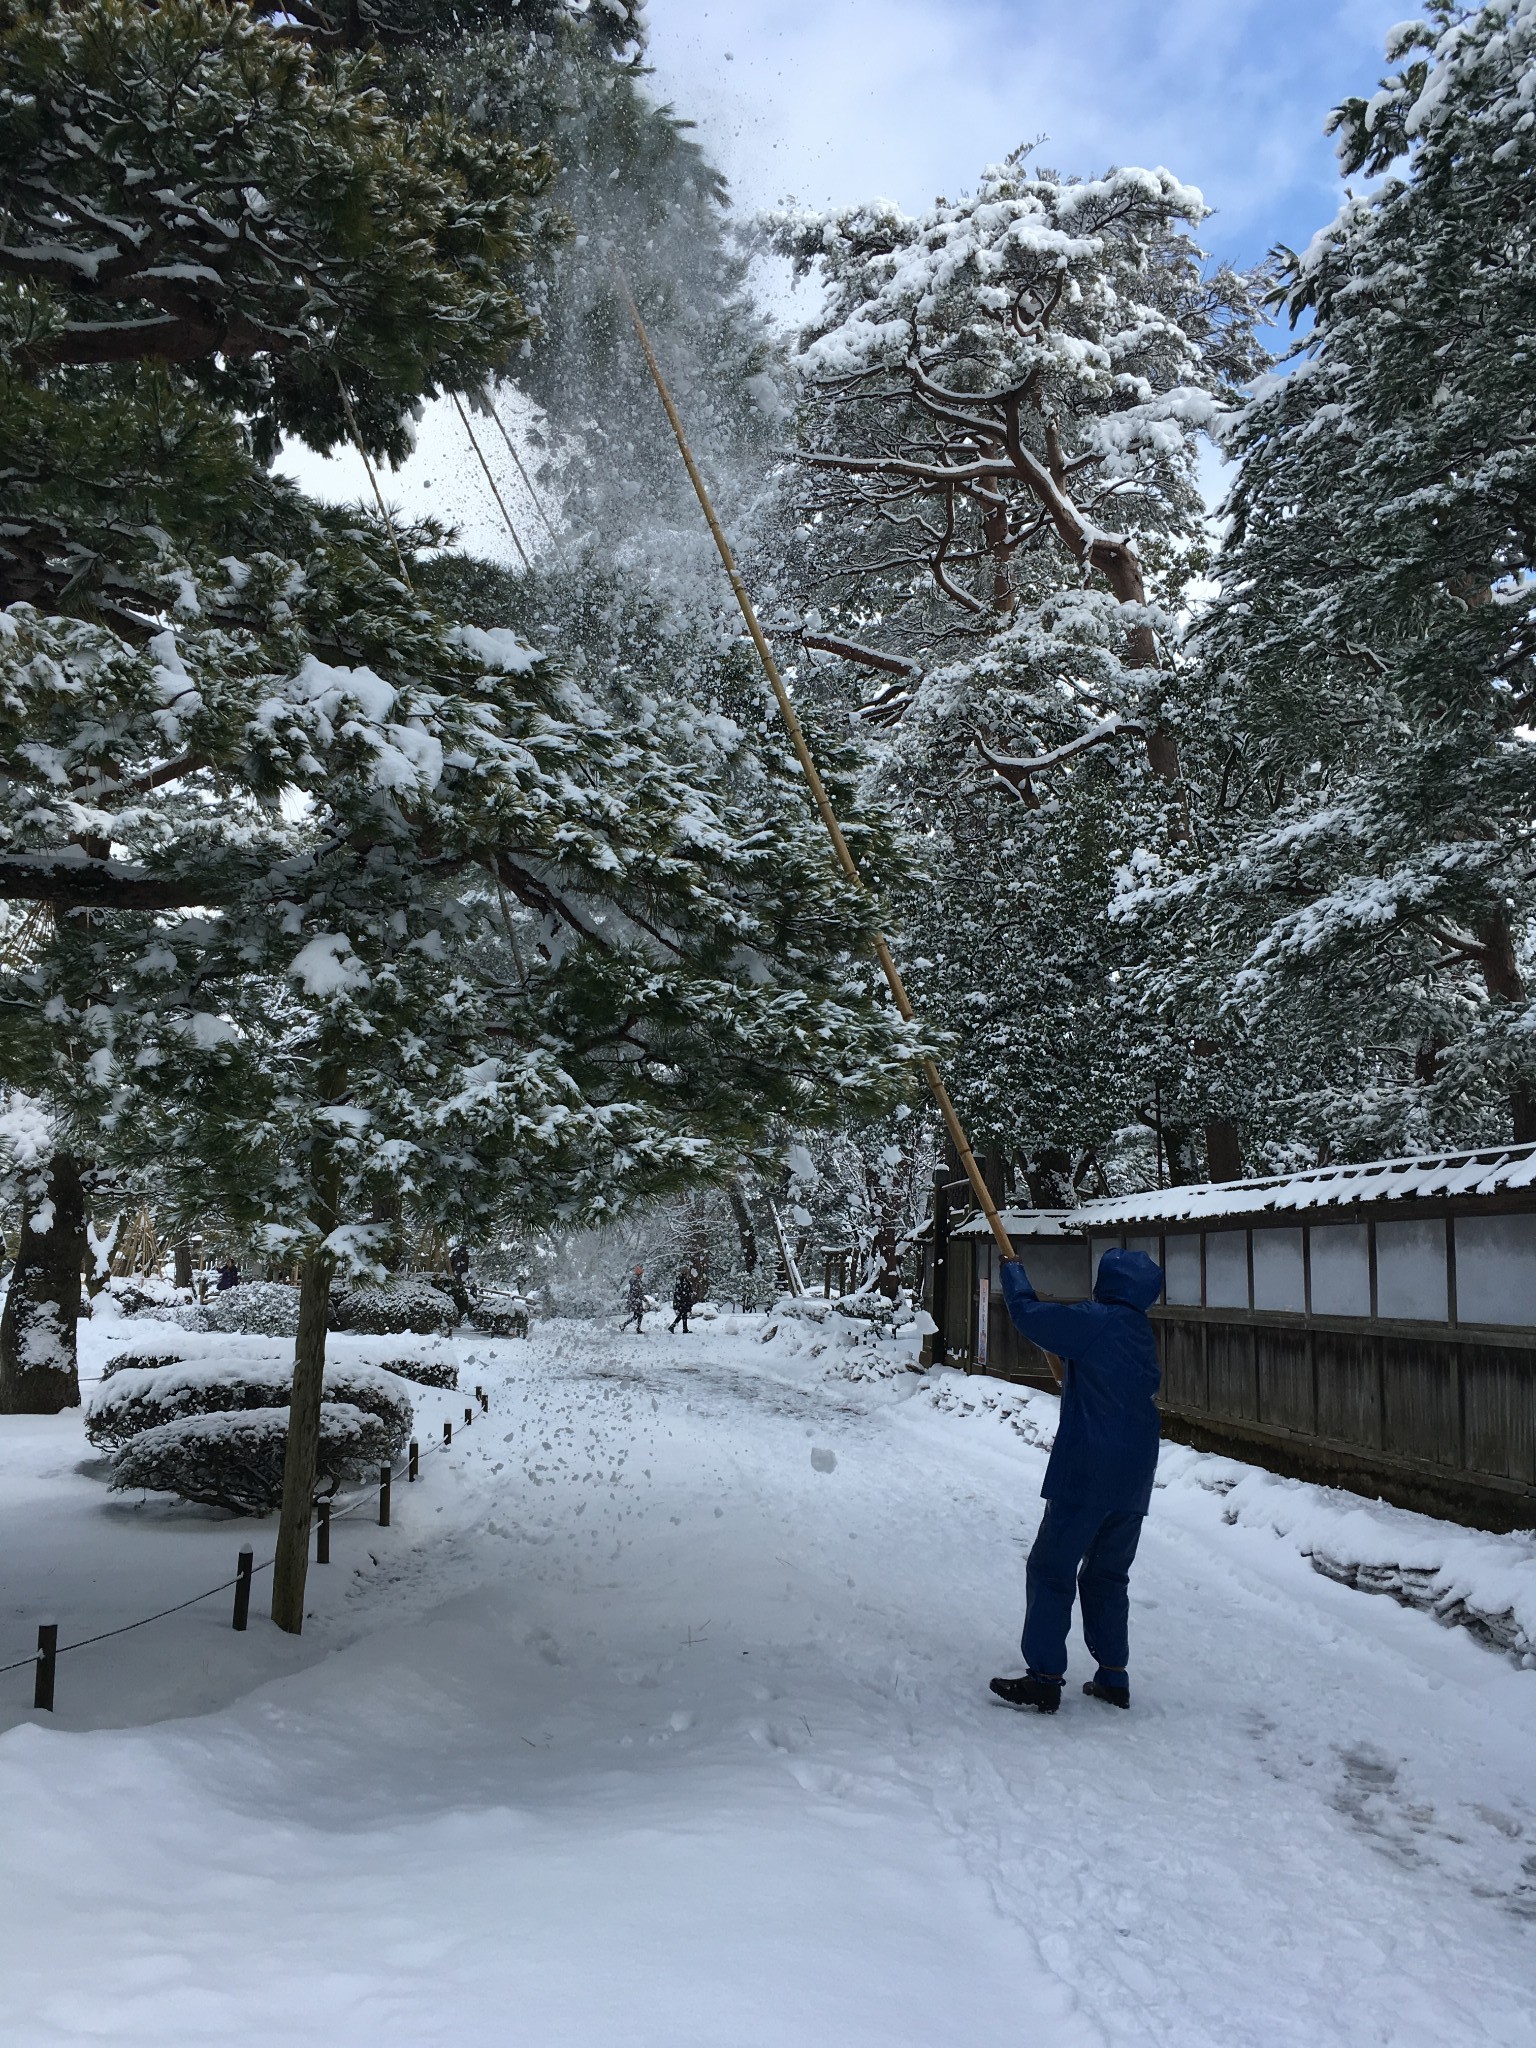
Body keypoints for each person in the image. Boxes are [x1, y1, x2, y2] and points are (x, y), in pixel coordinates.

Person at [988, 1245, 1164, 1715]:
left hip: (1088, 1469)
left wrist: (1013, 1271)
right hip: (1134, 1475)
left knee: (1051, 1568)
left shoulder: (1096, 1319)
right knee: (1107, 1574)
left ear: (1107, 1283)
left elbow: (1028, 1316)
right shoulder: (1138, 1331)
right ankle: (1113, 1676)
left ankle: (1044, 1678)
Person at [669, 1264, 699, 1334]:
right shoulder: (682, 1279)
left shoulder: (682, 1279)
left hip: (683, 1300)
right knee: (683, 1314)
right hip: (683, 1300)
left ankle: (681, 1328)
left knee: (683, 1314)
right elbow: (682, 1290)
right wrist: (687, 1295)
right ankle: (674, 1326)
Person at [620, 1264, 647, 1334]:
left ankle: (624, 1325)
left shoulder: (635, 1279)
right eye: (642, 1273)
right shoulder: (637, 1280)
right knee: (639, 1314)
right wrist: (644, 1299)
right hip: (636, 1300)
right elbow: (638, 1292)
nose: (642, 1275)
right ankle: (636, 1328)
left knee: (637, 1315)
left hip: (634, 1300)